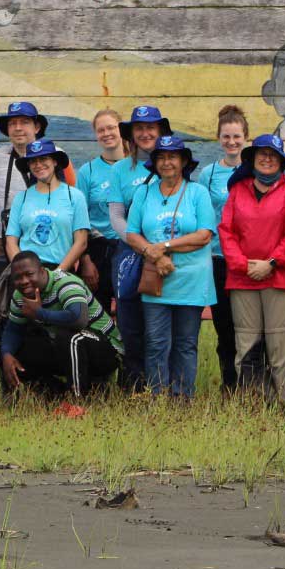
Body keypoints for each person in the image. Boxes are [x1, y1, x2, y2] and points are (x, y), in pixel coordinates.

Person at [124, 136, 216, 398]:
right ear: (155, 163)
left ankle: (183, 398)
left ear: (183, 161)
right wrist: (155, 256)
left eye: (172, 157)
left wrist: (162, 247)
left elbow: (203, 235)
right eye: (161, 157)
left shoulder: (197, 192)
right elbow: (132, 234)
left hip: (191, 279)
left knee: (186, 343)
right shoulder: (143, 192)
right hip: (156, 279)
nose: (167, 162)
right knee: (155, 342)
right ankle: (157, 397)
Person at [219, 134, 285, 407]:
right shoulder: (238, 190)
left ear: (281, 160)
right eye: (262, 154)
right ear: (252, 159)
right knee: (246, 345)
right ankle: (254, 407)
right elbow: (226, 231)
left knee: (279, 346)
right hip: (242, 279)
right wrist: (243, 265)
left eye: (273, 154)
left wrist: (272, 263)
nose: (267, 159)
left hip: (281, 277)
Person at [106, 104, 171, 389]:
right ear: (131, 134)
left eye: (151, 128)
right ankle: (133, 383)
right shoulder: (121, 169)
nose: (145, 133)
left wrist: (160, 248)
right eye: (139, 128)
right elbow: (116, 216)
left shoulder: (172, 163)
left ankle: (163, 383)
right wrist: (142, 246)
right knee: (130, 321)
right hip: (130, 253)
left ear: (160, 132)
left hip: (166, 252)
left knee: (161, 320)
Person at [0, 252, 121, 401]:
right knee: (17, 348)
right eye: (18, 277)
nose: (24, 281)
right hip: (69, 351)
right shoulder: (20, 296)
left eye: (29, 274)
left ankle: (77, 401)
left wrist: (40, 313)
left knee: (70, 337)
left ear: (42, 271)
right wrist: (6, 354)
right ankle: (52, 393)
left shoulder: (65, 283)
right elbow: (13, 330)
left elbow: (78, 319)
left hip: (106, 348)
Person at [0, 101, 74, 286]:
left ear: (37, 126)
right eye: (12, 123)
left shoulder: (58, 156)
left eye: (24, 122)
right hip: (0, 240)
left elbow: (71, 203)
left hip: (47, 240)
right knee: (3, 300)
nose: (18, 128)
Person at [191, 105, 249, 393]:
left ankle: (252, 382)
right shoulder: (208, 174)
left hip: (248, 260)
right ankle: (230, 384)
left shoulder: (252, 172)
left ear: (246, 138)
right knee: (224, 326)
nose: (232, 142)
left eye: (237, 136)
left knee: (248, 327)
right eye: (226, 136)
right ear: (219, 138)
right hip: (216, 259)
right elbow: (202, 217)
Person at [3, 139, 90, 276]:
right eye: (33, 161)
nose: (38, 165)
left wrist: (58, 274)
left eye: (44, 159)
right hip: (27, 275)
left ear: (55, 162)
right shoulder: (21, 198)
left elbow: (81, 241)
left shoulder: (75, 196)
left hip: (63, 272)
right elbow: (11, 241)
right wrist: (23, 272)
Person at [74, 109, 127, 312]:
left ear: (121, 129)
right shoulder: (88, 171)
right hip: (98, 251)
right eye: (100, 130)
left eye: (111, 128)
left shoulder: (138, 167)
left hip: (131, 247)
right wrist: (85, 259)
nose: (106, 133)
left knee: (131, 316)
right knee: (97, 317)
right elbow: (80, 219)